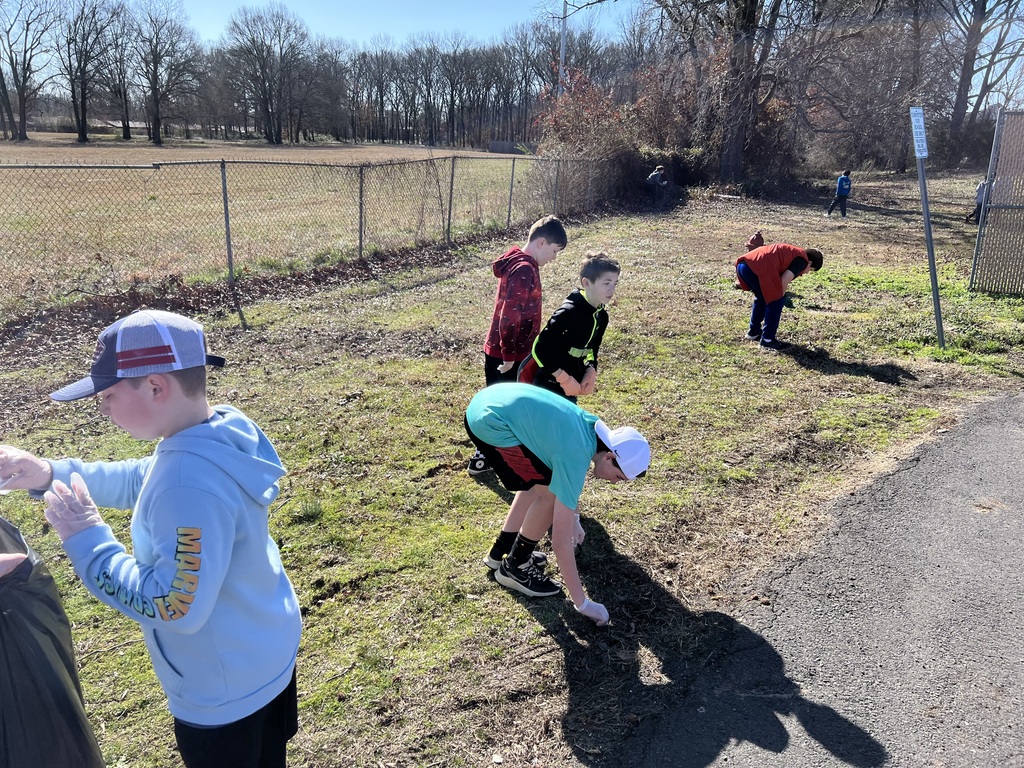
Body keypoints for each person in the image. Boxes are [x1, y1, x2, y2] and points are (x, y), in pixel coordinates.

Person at [0, 309, 302, 768]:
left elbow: (173, 606)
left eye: (108, 394)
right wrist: (48, 472)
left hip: (223, 699)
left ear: (156, 386)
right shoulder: (218, 432)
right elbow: (143, 477)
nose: (101, 406)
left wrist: (89, 539)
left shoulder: (187, 482)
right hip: (263, 656)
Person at [466, 383, 650, 626]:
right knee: (548, 496)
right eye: (618, 477)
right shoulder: (576, 456)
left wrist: (574, 519)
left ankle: (499, 554)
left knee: (540, 482)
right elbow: (561, 542)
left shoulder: (590, 428)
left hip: (486, 403)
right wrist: (583, 604)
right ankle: (515, 567)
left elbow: (558, 470)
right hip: (491, 424)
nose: (615, 483)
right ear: (610, 456)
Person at [468, 215, 568, 477]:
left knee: (507, 404)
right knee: (501, 407)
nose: (554, 258)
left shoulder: (520, 262)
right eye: (555, 251)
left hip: (509, 351)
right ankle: (484, 456)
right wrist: (510, 355)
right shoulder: (524, 269)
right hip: (506, 354)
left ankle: (499, 454)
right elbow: (510, 315)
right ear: (542, 242)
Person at [529, 253, 619, 402]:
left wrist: (591, 369)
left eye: (615, 283)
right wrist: (563, 379)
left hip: (572, 387)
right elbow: (539, 348)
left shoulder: (601, 316)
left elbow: (593, 348)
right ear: (587, 283)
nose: (612, 289)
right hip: (547, 386)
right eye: (606, 283)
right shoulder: (568, 312)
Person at [736, 243, 824, 350]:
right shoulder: (802, 260)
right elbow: (784, 280)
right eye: (810, 270)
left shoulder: (793, 253)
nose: (806, 273)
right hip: (758, 269)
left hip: (744, 265)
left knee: (762, 298)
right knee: (776, 303)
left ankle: (753, 332)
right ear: (809, 263)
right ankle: (767, 340)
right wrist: (781, 297)